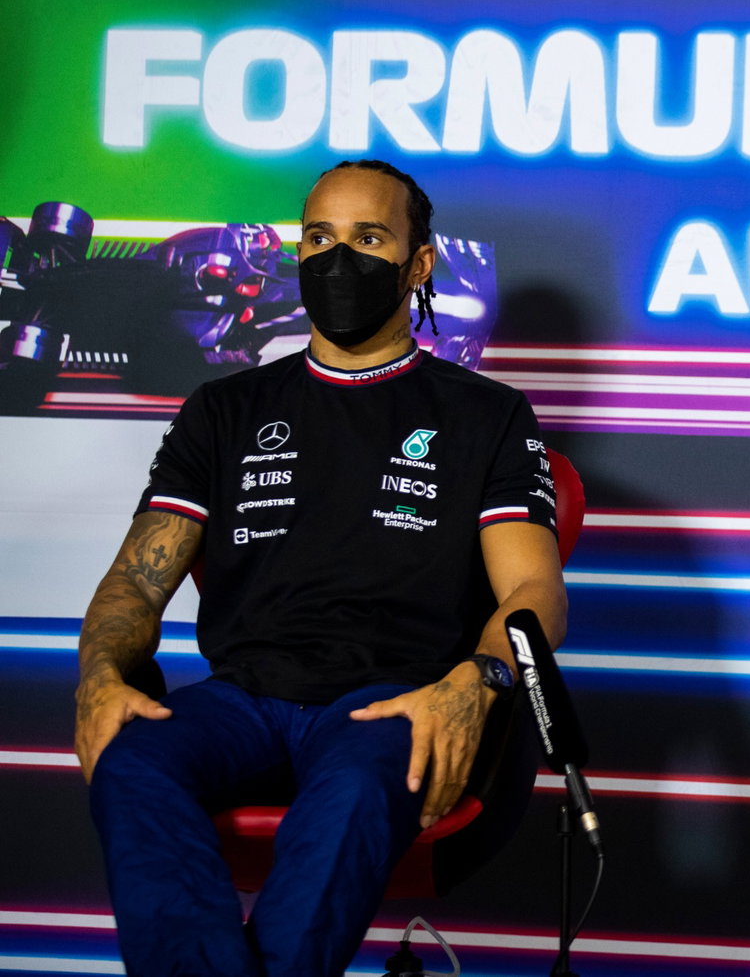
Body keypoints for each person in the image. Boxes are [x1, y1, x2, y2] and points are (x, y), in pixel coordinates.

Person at [74, 159, 568, 977]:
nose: (339, 260)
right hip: (242, 701)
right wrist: (97, 672)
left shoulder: (486, 414)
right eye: (319, 238)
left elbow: (533, 593)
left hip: (392, 701)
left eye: (368, 238)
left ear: (418, 265)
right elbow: (136, 578)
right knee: (132, 759)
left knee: (360, 784)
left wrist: (470, 686)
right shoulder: (223, 411)